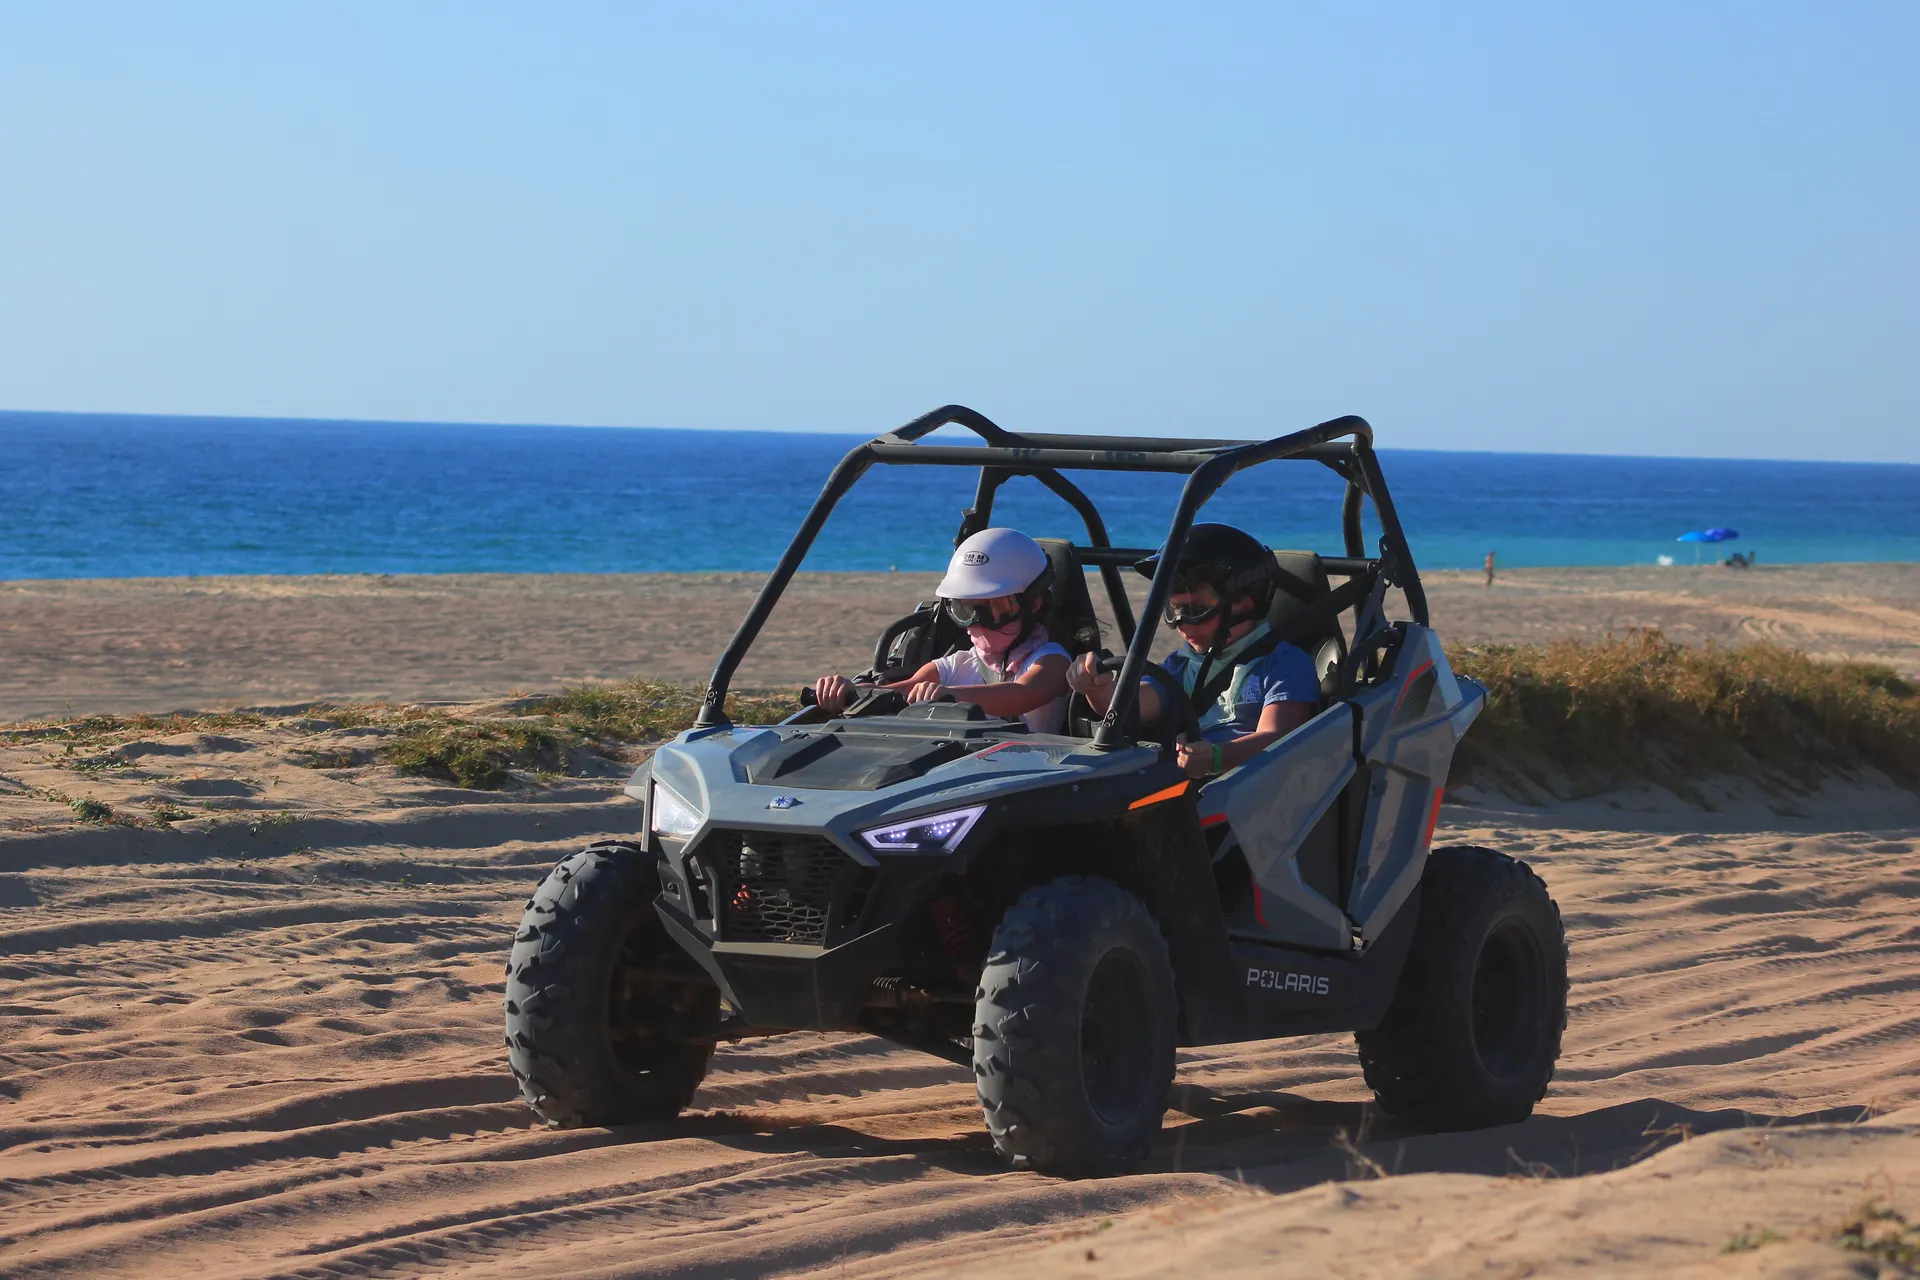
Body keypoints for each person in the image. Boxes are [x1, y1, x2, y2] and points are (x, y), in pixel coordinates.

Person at [1066, 523, 1320, 779]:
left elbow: (1278, 740)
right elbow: (1135, 707)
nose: (1182, 623)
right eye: (1173, 611)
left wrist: (1217, 757)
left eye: (1196, 611)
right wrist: (1097, 687)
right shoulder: (1181, 664)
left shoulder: (1284, 664)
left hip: (1252, 792)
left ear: (1241, 603)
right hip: (1189, 793)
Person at [811, 527, 1072, 733]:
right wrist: (850, 692)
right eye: (966, 608)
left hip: (1030, 781)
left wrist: (950, 695)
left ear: (1033, 603)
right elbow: (905, 689)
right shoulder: (955, 666)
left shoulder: (1051, 660)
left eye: (994, 607)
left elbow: (1022, 695)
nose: (978, 621)